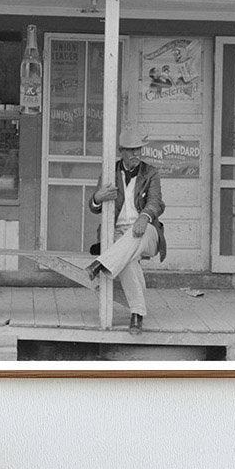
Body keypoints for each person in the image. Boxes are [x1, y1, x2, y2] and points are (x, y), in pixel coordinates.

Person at [86, 128, 167, 335]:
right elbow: (94, 208)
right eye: (131, 151)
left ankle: (101, 263)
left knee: (132, 238)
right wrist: (98, 197)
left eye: (139, 150)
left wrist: (144, 216)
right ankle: (137, 314)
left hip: (146, 230)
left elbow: (156, 202)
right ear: (121, 151)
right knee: (128, 258)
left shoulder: (151, 173)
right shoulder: (109, 173)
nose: (136, 155)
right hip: (118, 233)